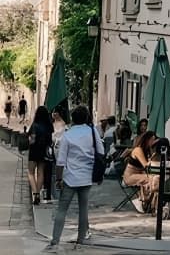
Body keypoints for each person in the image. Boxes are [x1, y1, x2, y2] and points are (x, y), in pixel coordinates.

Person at [43, 105, 104, 253]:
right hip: (87, 176)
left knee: (62, 210)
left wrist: (58, 179)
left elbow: (61, 161)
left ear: (73, 119)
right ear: (86, 118)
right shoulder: (92, 131)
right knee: (83, 210)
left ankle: (55, 241)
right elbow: (101, 152)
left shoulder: (68, 135)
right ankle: (80, 241)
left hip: (70, 177)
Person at [122, 130, 159, 212]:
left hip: (139, 174)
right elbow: (146, 165)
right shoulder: (138, 150)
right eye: (152, 140)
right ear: (147, 140)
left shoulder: (147, 150)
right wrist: (154, 156)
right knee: (153, 179)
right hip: (130, 176)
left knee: (155, 178)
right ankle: (144, 200)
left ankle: (148, 201)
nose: (153, 143)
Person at [27, 105, 53, 205]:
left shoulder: (35, 125)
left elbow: (32, 140)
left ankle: (36, 193)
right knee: (41, 172)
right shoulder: (49, 126)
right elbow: (50, 140)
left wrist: (29, 141)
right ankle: (38, 192)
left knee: (30, 172)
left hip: (34, 151)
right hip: (44, 151)